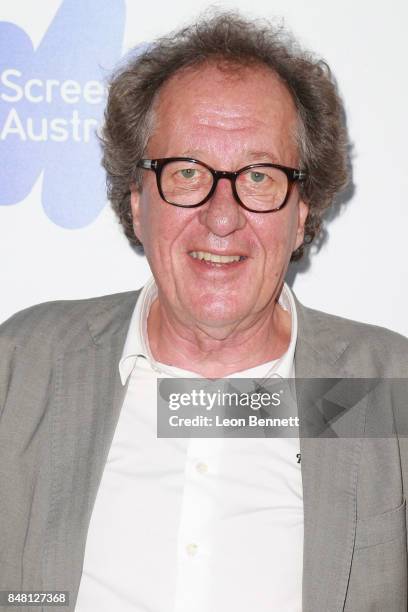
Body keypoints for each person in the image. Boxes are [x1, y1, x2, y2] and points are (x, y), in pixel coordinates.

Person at [0, 12, 407, 612]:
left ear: (301, 214)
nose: (222, 217)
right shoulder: (24, 367)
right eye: (186, 172)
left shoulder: (383, 389)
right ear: (137, 203)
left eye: (260, 176)